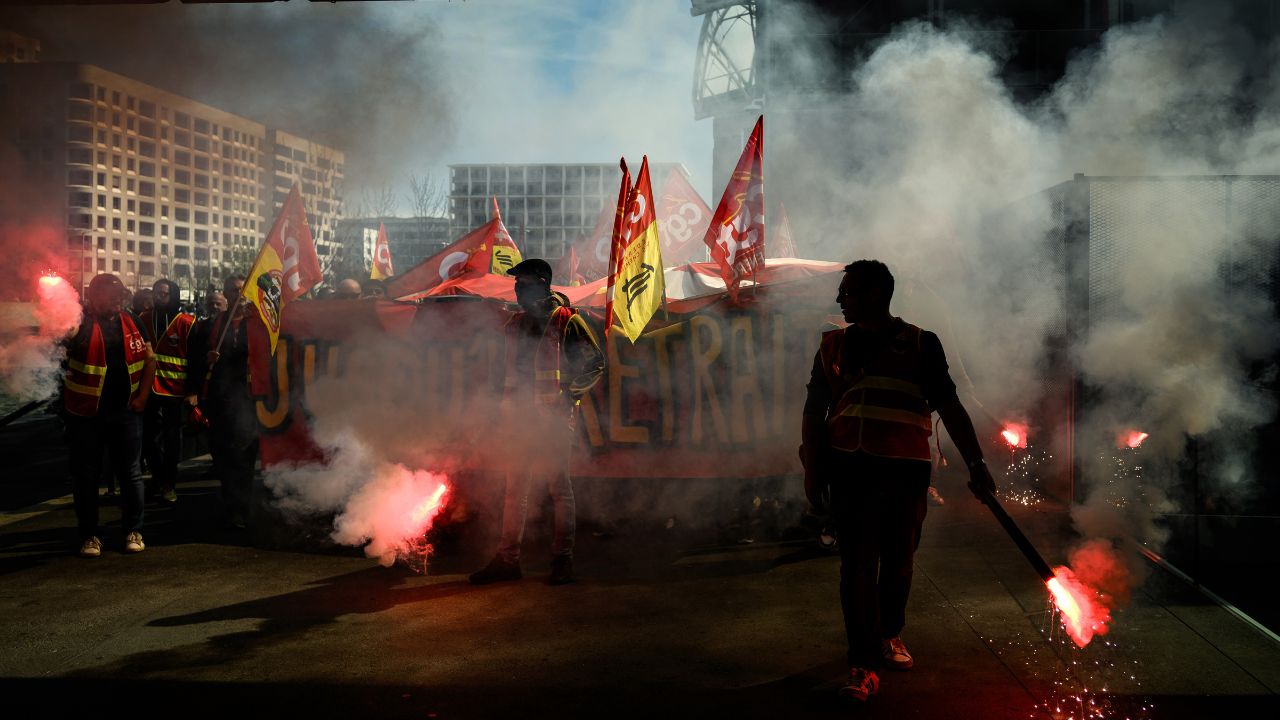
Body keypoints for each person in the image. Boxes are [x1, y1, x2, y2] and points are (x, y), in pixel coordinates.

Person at [801, 259, 996, 702]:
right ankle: (862, 664)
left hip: (905, 472)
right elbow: (814, 413)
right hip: (850, 470)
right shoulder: (831, 347)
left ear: (875, 295)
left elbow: (949, 405)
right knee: (856, 568)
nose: (839, 299)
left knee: (899, 563)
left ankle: (890, 633)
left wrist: (977, 464)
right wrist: (814, 469)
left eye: (847, 291)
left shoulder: (922, 345)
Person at [469, 258, 605, 586]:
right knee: (515, 490)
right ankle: (507, 561)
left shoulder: (566, 320)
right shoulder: (513, 325)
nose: (517, 291)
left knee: (559, 489)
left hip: (553, 421)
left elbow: (595, 363)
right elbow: (503, 373)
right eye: (516, 285)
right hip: (518, 422)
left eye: (524, 285)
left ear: (543, 285)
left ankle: (562, 560)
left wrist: (568, 397)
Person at [63, 274, 156, 557]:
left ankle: (133, 530)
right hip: (85, 414)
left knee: (130, 474)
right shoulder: (79, 324)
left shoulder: (133, 321)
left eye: (119, 297)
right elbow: (59, 353)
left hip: (126, 412)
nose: (117, 302)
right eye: (111, 297)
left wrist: (142, 397)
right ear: (96, 298)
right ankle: (90, 535)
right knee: (86, 477)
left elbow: (150, 359)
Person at [187, 274, 256, 528]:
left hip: (249, 400)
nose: (237, 294)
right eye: (232, 290)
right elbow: (193, 361)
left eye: (241, 289)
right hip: (219, 400)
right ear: (225, 294)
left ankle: (242, 508)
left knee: (244, 456)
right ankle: (231, 504)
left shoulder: (258, 326)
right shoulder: (208, 326)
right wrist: (206, 362)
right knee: (223, 456)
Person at [139, 278, 195, 504]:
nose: (159, 297)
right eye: (156, 293)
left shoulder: (186, 323)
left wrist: (193, 391)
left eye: (164, 294)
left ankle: (168, 483)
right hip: (149, 389)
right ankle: (159, 476)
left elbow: (196, 360)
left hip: (175, 391)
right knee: (147, 438)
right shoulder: (143, 319)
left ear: (173, 295)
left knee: (173, 440)